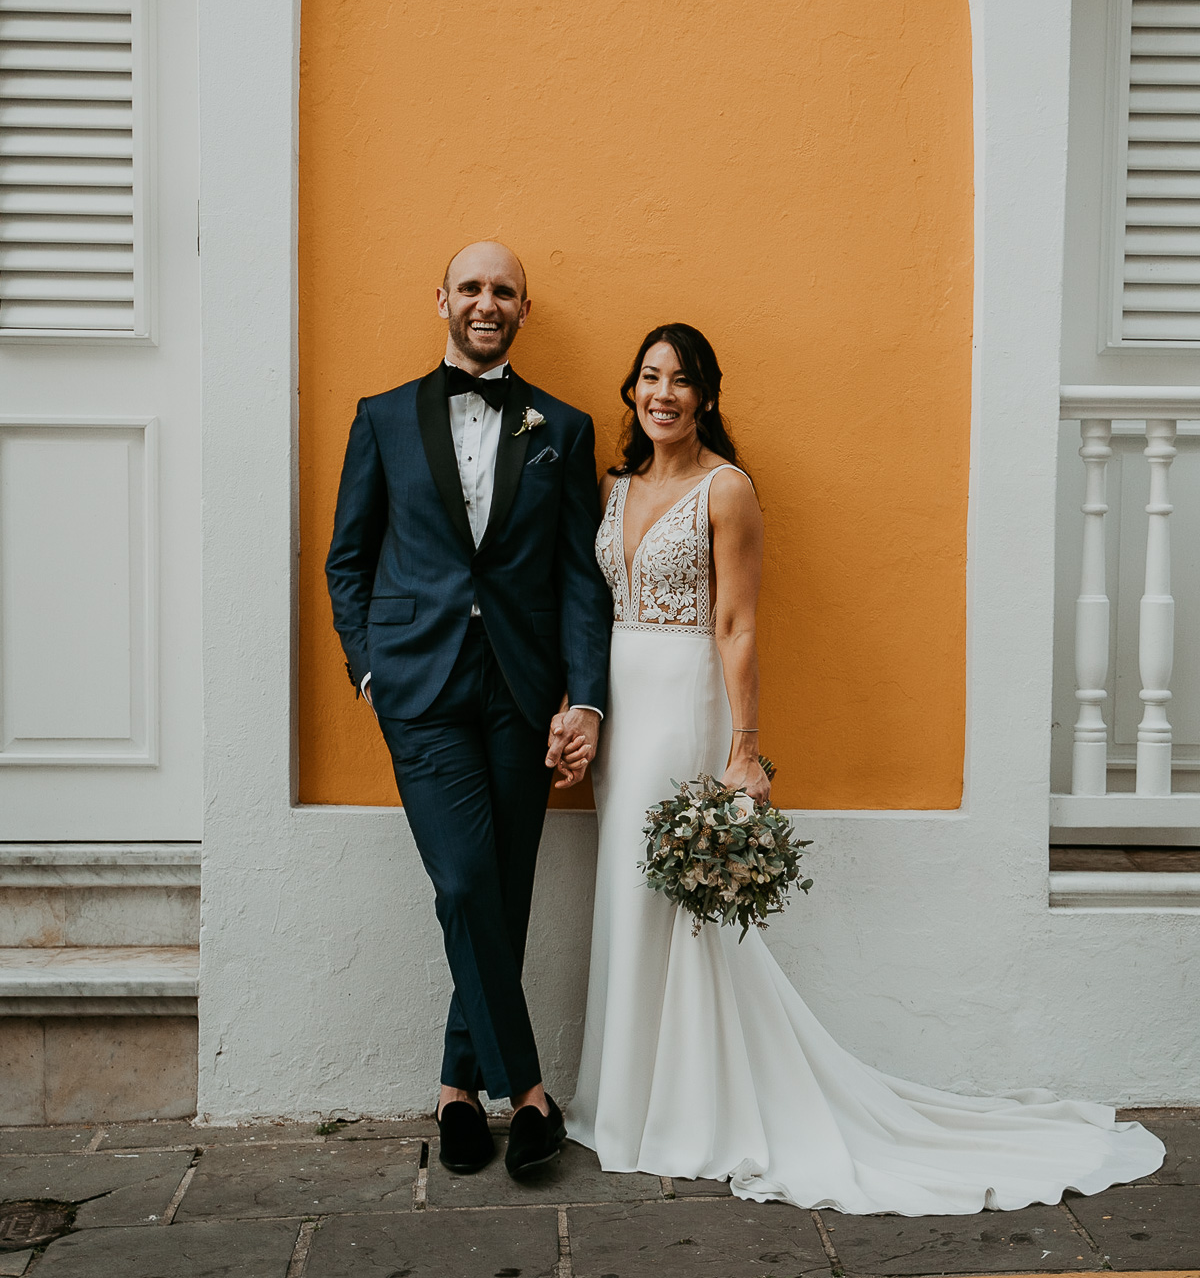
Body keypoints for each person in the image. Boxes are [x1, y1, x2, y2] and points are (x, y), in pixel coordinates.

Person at [564, 322, 1164, 1213]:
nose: (662, 394)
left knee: (679, 908)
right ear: (631, 389)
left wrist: (742, 750)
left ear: (707, 396)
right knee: (627, 893)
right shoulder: (614, 491)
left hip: (686, 703)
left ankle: (687, 1110)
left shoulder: (726, 490)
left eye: (681, 381)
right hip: (625, 703)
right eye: (649, 377)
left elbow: (737, 625)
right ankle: (623, 1101)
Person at [326, 242, 612, 1180]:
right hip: (418, 688)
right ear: (440, 298)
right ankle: (528, 1092)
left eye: (505, 291)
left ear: (525, 310)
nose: (486, 303)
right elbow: (349, 559)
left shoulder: (562, 429)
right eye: (471, 287)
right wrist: (369, 669)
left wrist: (586, 697)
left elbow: (580, 577)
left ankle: (455, 1092)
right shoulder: (381, 419)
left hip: (522, 691)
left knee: (503, 886)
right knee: (462, 883)